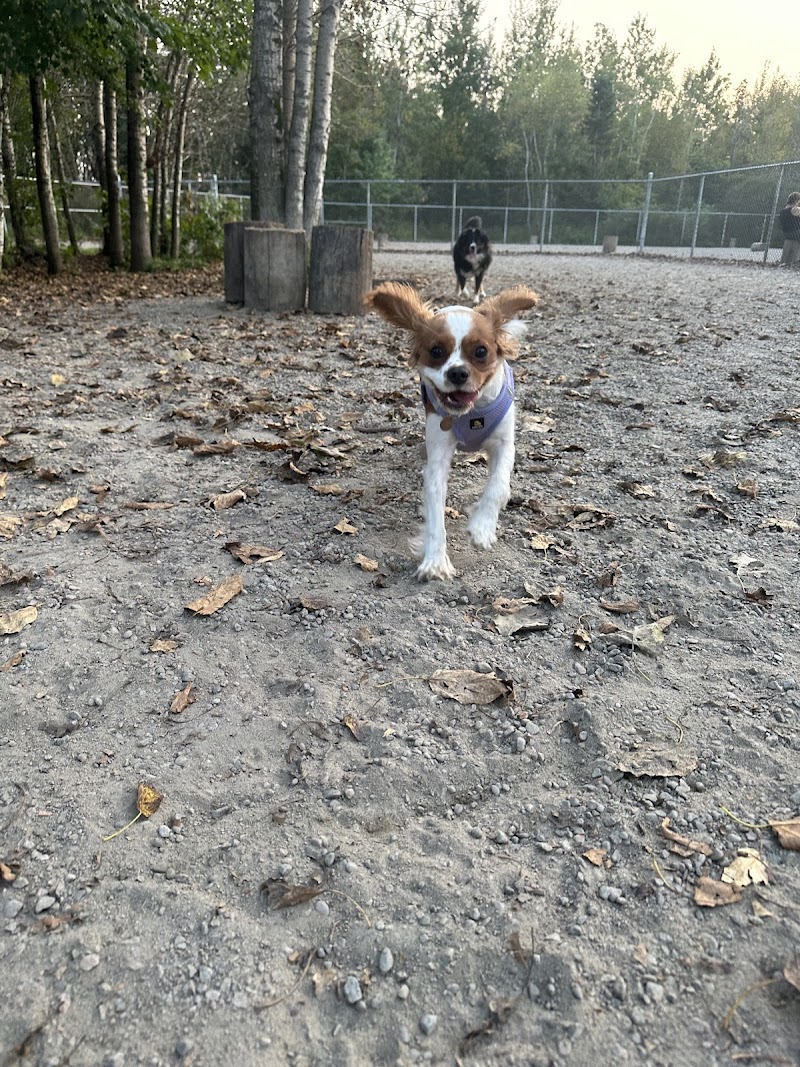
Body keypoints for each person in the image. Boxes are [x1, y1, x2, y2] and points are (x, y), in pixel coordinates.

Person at [779, 191, 800, 267]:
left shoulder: (783, 211)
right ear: (796, 201)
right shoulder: (794, 209)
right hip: (796, 233)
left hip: (787, 233)